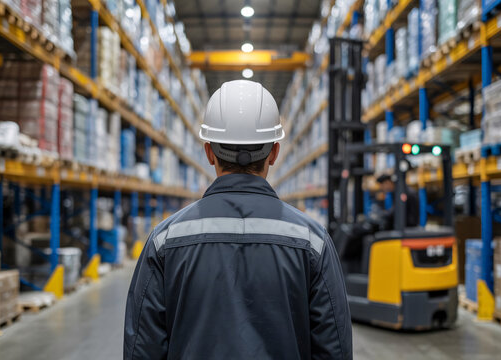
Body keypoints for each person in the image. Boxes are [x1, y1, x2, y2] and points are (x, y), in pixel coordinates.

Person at [124, 80, 352, 359]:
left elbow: (142, 350)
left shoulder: (164, 241)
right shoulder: (313, 242)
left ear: (209, 153)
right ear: (274, 153)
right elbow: (334, 350)